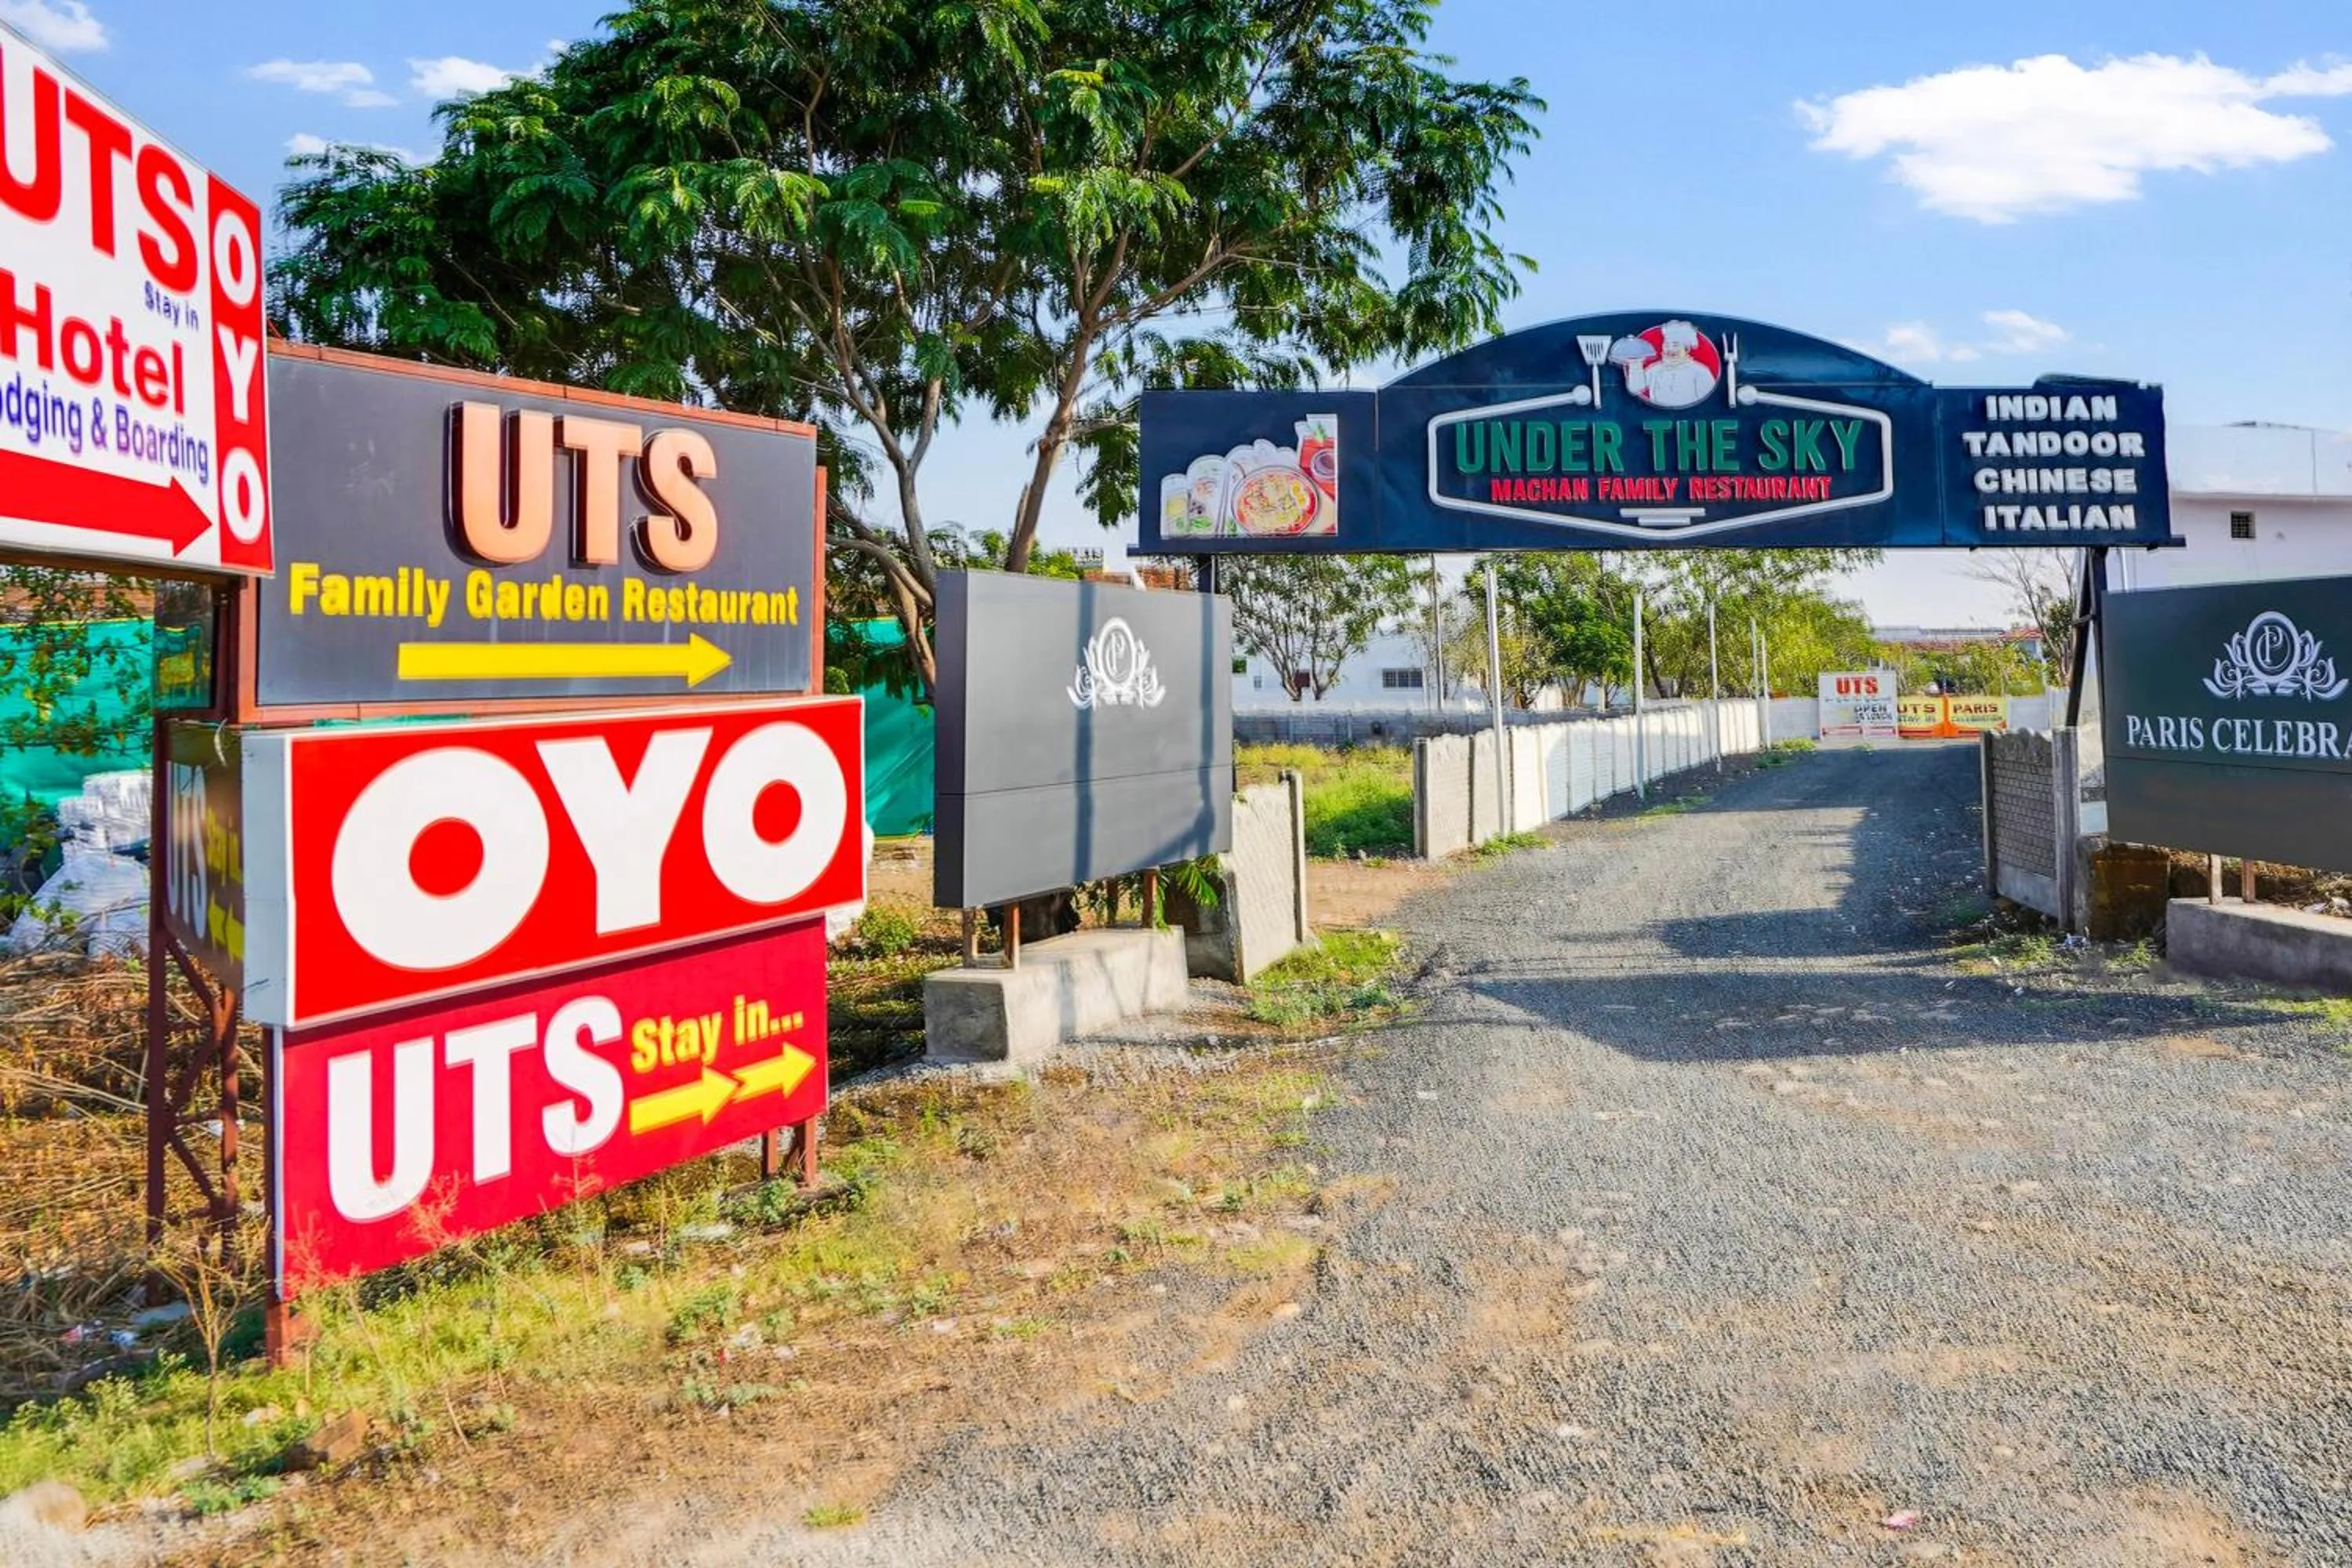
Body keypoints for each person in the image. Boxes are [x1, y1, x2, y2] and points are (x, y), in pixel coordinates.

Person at [1621, 320, 1718, 409]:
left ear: (1686, 348)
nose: (1670, 349)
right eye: (1666, 345)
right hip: (1656, 417)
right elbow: (1635, 388)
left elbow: (1710, 403)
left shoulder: (1700, 372)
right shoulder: (1655, 370)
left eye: (1675, 345)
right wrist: (1635, 366)